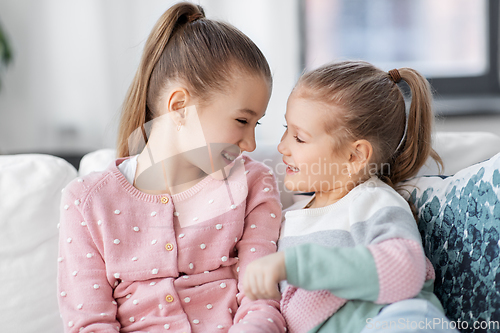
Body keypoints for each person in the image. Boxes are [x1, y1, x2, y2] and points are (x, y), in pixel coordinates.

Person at [57, 2, 286, 332]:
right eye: (241, 120)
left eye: (256, 124)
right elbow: (90, 324)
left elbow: (262, 302)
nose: (250, 144)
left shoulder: (252, 183)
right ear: (179, 107)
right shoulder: (86, 201)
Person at [243, 61, 458, 332]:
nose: (281, 146)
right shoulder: (284, 220)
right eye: (286, 129)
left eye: (299, 138)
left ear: (354, 156)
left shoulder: (372, 201)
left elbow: (405, 270)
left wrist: (295, 265)